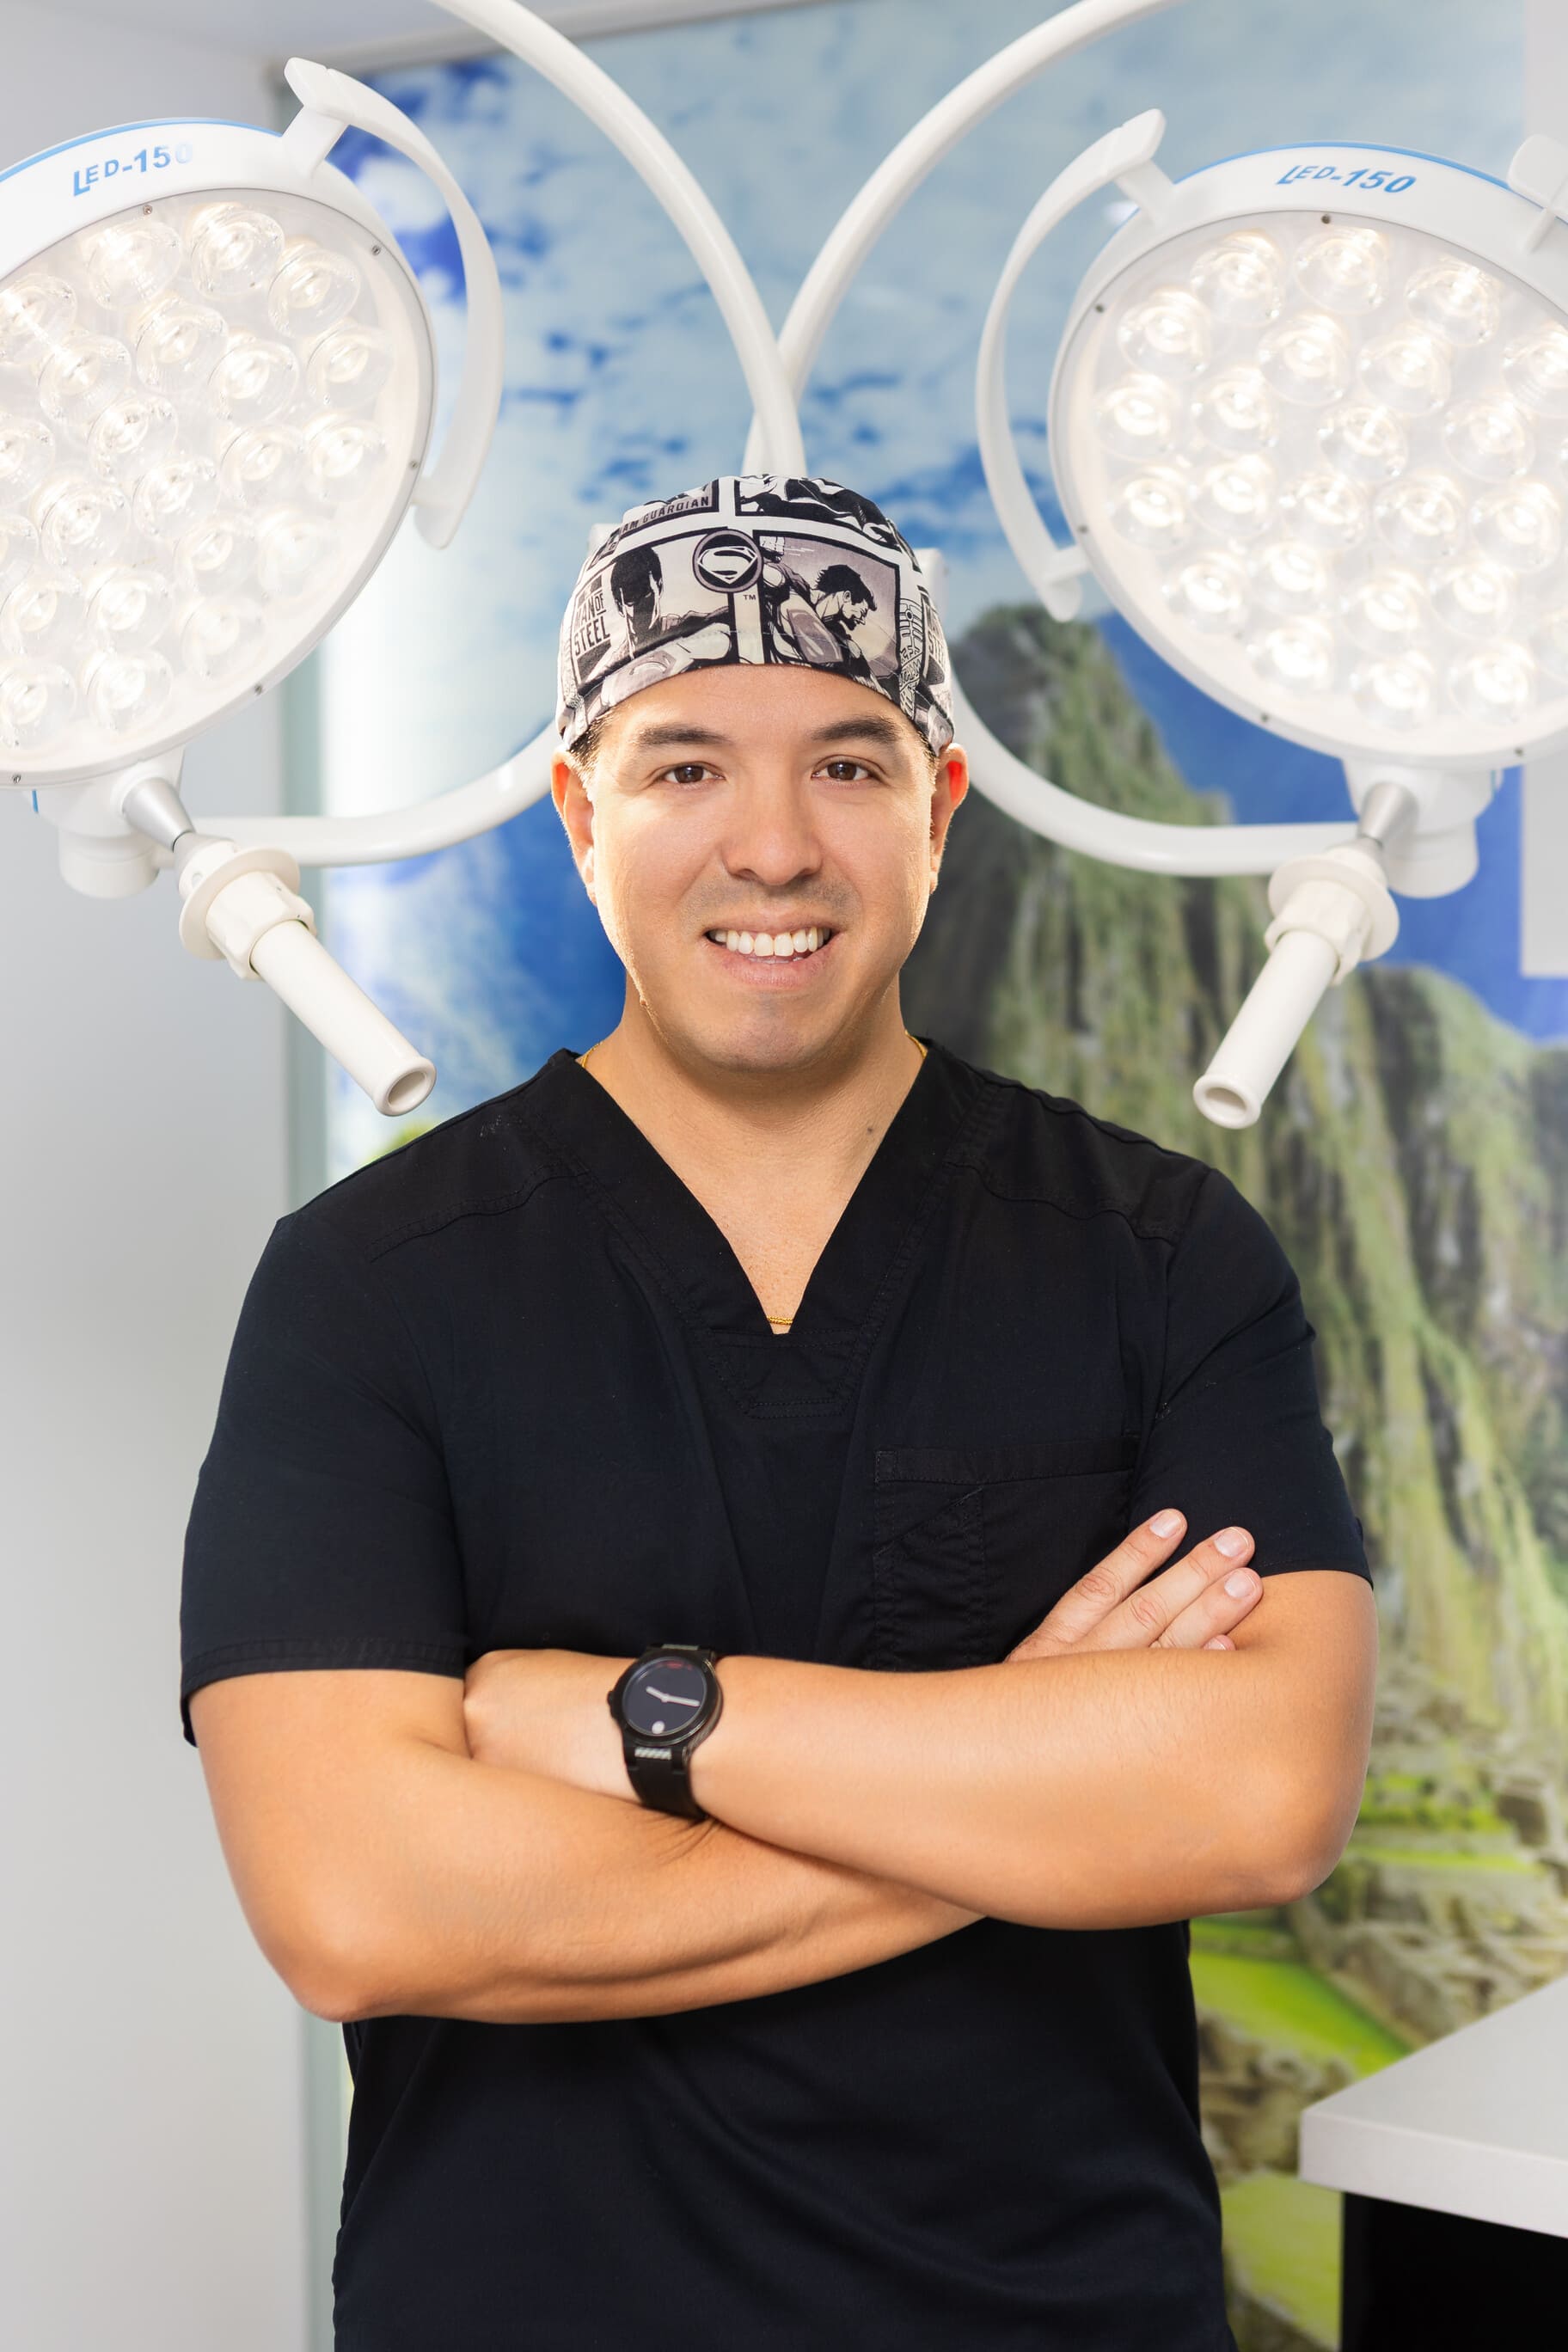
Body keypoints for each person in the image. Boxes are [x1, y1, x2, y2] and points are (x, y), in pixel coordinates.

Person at [180, 474, 1377, 2350]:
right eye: (682, 768)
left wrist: (650, 1720)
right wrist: (1027, 1785)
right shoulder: (370, 1284)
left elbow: (1261, 1795)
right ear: (581, 814)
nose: (771, 846)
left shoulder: (1157, 1254)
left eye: (846, 764)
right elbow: (359, 1905)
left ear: (939, 809)